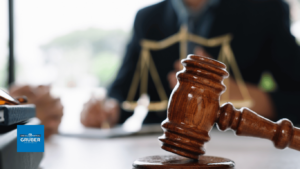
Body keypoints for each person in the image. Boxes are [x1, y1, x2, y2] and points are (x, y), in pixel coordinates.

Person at [81, 0, 300, 128]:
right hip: (158, 147)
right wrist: (108, 110)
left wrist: (246, 97)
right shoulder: (147, 19)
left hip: (236, 145)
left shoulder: (265, 10)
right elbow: (121, 93)